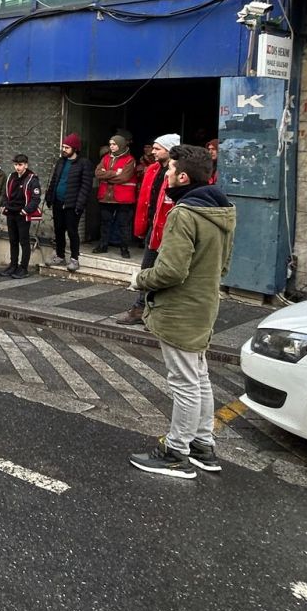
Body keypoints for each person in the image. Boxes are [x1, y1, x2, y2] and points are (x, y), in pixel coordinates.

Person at [128, 144, 235, 479]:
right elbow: (224, 265)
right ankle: (203, 447)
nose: (167, 174)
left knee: (185, 382)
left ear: (183, 176)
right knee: (199, 377)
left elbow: (171, 270)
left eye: (170, 170)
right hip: (204, 304)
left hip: (180, 309)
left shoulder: (185, 213)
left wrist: (139, 279)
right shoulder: (222, 211)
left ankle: (176, 452)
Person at [119, 134, 180, 325]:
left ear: (169, 150)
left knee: (165, 273)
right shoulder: (152, 169)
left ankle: (156, 314)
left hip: (170, 230)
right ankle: (141, 309)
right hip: (154, 227)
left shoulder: (178, 172)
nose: (153, 152)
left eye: (157, 148)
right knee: (147, 270)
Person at [48, 134, 93, 272]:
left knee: (72, 231)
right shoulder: (61, 162)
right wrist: (50, 196)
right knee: (59, 230)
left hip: (72, 204)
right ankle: (60, 256)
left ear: (75, 148)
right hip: (58, 202)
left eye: (67, 147)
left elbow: (86, 186)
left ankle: (74, 258)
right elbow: (55, 180)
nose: (64, 149)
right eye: (63, 147)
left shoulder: (84, 163)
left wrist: (79, 204)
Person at [93, 134, 139, 257]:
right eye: (110, 144)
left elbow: (124, 177)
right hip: (106, 197)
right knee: (105, 223)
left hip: (123, 198)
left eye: (114, 144)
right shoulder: (106, 158)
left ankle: (124, 249)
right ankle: (103, 245)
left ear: (121, 145)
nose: (111, 147)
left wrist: (106, 174)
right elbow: (97, 173)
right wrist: (115, 173)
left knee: (124, 225)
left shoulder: (130, 160)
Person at [2, 154, 43, 279]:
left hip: (22, 215)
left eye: (20, 165)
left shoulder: (32, 179)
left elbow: (36, 199)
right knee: (13, 241)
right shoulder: (12, 177)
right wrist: (5, 205)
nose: (17, 167)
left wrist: (25, 211)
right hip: (11, 213)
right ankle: (13, 265)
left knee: (23, 242)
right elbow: (5, 193)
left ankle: (23, 268)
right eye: (16, 165)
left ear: (26, 165)